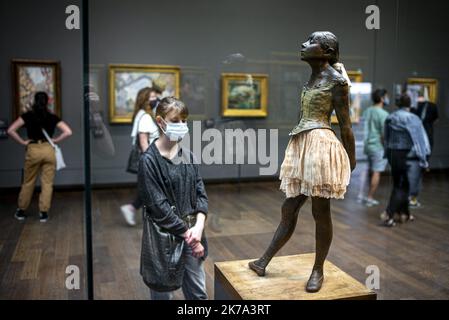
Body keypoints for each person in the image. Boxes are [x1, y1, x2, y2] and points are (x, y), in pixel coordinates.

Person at [249, 31, 356, 293]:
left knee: (320, 211)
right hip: (303, 143)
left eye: (311, 41)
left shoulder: (337, 82)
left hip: (320, 145)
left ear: (328, 51)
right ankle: (263, 260)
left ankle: (318, 270)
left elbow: (346, 125)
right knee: (290, 206)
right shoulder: (313, 78)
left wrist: (350, 161)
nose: (303, 44)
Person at [138, 97, 208, 300]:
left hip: (194, 233)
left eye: (184, 120)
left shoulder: (189, 156)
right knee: (162, 294)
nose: (182, 125)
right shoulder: (148, 161)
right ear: (160, 122)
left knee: (198, 295)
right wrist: (191, 237)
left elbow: (200, 193)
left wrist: (199, 226)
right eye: (176, 121)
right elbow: (158, 207)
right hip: (164, 239)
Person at [7, 92, 72, 222]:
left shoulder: (27, 116)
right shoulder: (52, 117)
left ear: (34, 101)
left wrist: (22, 142)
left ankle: (20, 211)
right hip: (48, 150)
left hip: (33, 150)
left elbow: (10, 130)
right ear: (48, 102)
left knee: (28, 182)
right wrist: (56, 140)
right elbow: (68, 132)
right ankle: (43, 213)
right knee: (47, 183)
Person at [380, 94, 430, 227]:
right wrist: (424, 160)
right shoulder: (413, 118)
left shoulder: (390, 117)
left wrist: (386, 154)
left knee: (402, 183)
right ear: (410, 104)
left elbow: (386, 138)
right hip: (407, 155)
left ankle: (404, 214)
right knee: (402, 186)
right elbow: (419, 140)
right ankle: (389, 214)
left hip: (393, 154)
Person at [120, 87, 160, 226]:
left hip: (151, 158)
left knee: (149, 189)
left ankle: (132, 209)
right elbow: (143, 142)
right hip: (150, 158)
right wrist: (152, 162)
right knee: (151, 190)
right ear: (145, 100)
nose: (156, 100)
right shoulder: (145, 117)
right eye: (152, 97)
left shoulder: (144, 115)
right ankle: (136, 211)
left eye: (156, 96)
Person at [360, 89, 390, 207]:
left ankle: (363, 195)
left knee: (369, 170)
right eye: (386, 96)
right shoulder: (384, 114)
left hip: (367, 145)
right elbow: (384, 134)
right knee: (376, 172)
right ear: (382, 98)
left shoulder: (367, 111)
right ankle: (370, 197)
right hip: (377, 146)